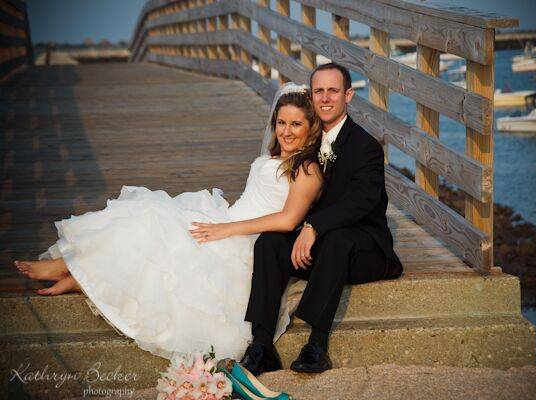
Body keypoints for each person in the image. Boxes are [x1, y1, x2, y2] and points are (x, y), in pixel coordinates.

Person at [14, 84, 323, 361]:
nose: (286, 131)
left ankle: (77, 271)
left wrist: (226, 230)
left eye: (296, 124)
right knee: (149, 215)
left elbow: (288, 220)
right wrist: (222, 224)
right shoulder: (272, 159)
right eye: (281, 122)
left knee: (165, 237)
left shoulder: (306, 169)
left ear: (310, 129)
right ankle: (75, 269)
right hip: (225, 220)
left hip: (246, 239)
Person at [242, 63, 403, 375]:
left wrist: (314, 226)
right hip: (319, 246)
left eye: (333, 90)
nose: (325, 98)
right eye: (319, 91)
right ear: (311, 95)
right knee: (270, 242)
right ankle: (262, 345)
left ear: (348, 95)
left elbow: (362, 201)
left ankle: (316, 344)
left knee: (338, 241)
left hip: (363, 250)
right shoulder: (308, 138)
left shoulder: (365, 146)